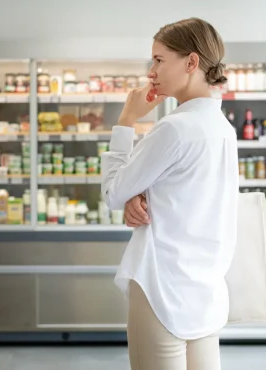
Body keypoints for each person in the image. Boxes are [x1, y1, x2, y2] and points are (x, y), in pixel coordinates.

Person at [100, 17, 238, 370]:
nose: (151, 71)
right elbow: (188, 193)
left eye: (159, 60)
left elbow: (113, 193)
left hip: (161, 285)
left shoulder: (174, 128)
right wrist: (143, 193)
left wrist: (127, 119)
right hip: (205, 287)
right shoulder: (222, 128)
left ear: (191, 62)